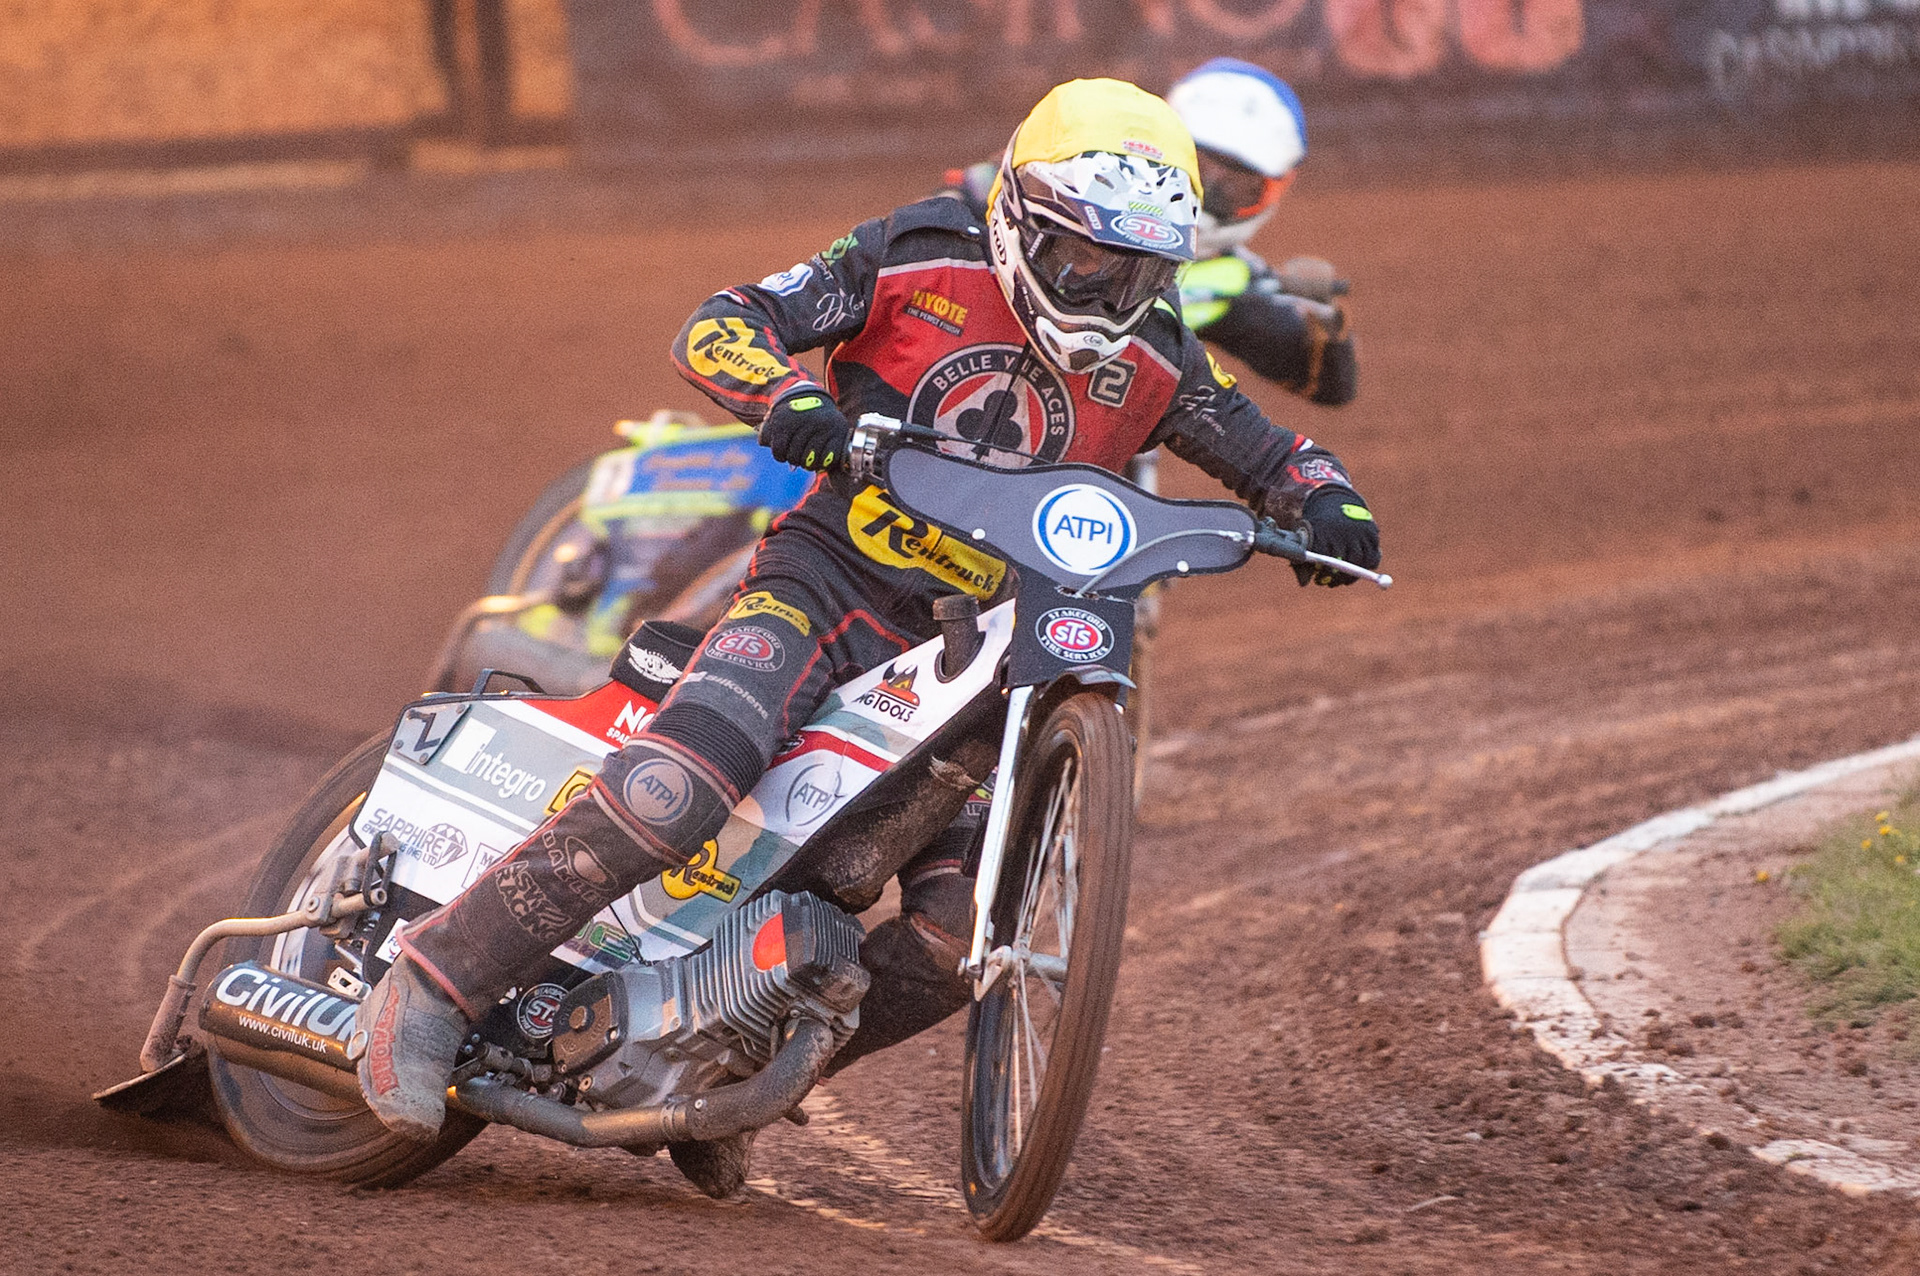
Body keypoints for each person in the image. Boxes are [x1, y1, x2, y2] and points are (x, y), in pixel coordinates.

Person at [354, 78, 1381, 1191]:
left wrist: (1333, 508)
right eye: (1088, 260)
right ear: (1022, 219)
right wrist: (784, 400)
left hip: (982, 654)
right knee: (682, 787)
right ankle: (434, 978)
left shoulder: (1159, 351)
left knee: (948, 944)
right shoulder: (915, 252)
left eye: (1141, 270)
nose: (1112, 293)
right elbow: (722, 323)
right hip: (827, 584)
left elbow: (1281, 455)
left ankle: (725, 1085)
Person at [942, 58, 1355, 405]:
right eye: (1197, 166)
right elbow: (930, 228)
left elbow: (1328, 384)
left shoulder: (1229, 279)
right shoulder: (1048, 186)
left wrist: (1328, 324)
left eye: (1236, 184)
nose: (1206, 191)